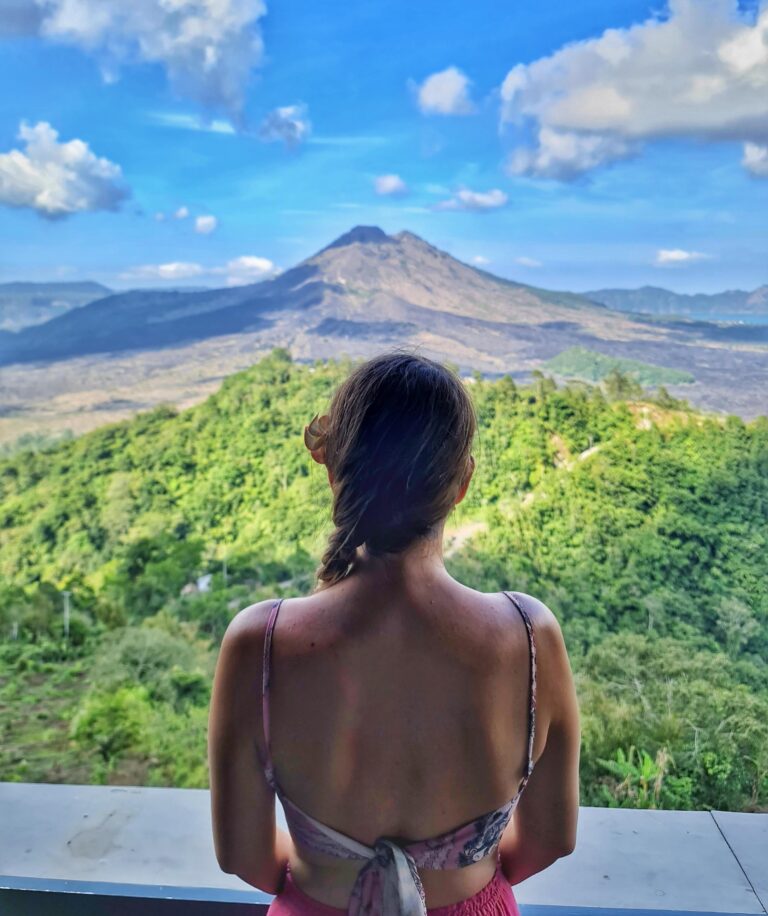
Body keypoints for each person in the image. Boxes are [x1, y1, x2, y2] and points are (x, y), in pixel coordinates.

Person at [209, 352, 580, 915]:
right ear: (461, 484)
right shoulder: (531, 638)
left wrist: (337, 874)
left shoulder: (258, 644)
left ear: (334, 473)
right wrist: (457, 873)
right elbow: (551, 840)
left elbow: (243, 856)